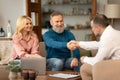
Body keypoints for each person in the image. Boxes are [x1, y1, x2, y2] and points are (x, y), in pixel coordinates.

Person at [68, 14, 120, 80]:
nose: (92, 29)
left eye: (92, 27)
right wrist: (78, 44)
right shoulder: (114, 33)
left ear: (98, 27)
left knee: (84, 69)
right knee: (86, 68)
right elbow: (98, 44)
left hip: (116, 68)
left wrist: (84, 59)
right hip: (115, 65)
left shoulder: (108, 38)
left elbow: (97, 61)